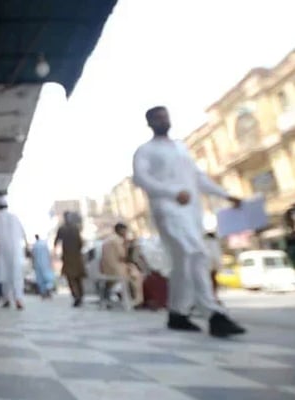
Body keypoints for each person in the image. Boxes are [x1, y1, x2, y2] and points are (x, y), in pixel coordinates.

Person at [133, 106, 246, 337]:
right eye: (157, 117)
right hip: (168, 210)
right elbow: (141, 178)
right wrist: (171, 193)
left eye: (165, 115)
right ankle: (214, 315)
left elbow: (198, 178)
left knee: (183, 263)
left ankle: (177, 313)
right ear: (149, 123)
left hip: (191, 213)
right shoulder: (144, 151)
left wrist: (225, 195)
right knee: (196, 253)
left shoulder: (180, 148)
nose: (162, 120)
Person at [0, 195, 28, 310]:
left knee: (4, 273)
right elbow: (23, 234)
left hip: (3, 250)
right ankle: (18, 299)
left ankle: (7, 298)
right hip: (16, 250)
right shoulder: (14, 217)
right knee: (16, 274)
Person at [100, 223, 144, 307]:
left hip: (106, 270)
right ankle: (137, 300)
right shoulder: (118, 241)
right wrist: (127, 246)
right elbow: (122, 256)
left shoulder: (107, 240)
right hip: (118, 269)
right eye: (125, 231)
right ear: (121, 230)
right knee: (137, 276)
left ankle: (109, 298)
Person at [55, 212, 86, 307]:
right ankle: (79, 296)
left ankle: (77, 296)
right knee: (77, 279)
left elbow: (56, 242)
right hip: (76, 257)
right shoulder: (74, 228)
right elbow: (81, 243)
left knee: (72, 279)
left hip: (69, 257)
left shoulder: (63, 229)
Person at [204, 232, 222, 299]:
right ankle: (213, 296)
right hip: (210, 265)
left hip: (209, 265)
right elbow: (217, 256)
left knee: (210, 280)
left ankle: (213, 296)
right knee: (211, 280)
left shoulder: (210, 242)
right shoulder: (214, 243)